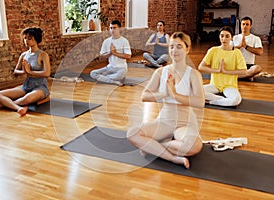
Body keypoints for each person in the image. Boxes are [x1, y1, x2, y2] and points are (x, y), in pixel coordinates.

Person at [127, 32, 205, 169]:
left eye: (179, 47)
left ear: (188, 49)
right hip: (164, 120)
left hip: (184, 122)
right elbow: (144, 96)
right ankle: (173, 158)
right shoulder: (160, 72)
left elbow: (200, 102)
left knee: (194, 146)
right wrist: (163, 94)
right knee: (132, 133)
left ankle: (155, 147)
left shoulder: (193, 74)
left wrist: (174, 95)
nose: (174, 51)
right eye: (172, 47)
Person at [0, 27, 51, 116]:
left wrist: (30, 72)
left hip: (40, 87)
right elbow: (15, 71)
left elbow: (47, 73)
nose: (26, 40)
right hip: (26, 86)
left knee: (27, 99)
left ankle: (7, 104)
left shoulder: (43, 55)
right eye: (25, 38)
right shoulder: (24, 55)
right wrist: (24, 71)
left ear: (36, 39)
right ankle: (19, 108)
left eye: (29, 38)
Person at [198, 26, 247, 107]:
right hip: (215, 85)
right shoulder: (213, 50)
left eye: (227, 36)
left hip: (230, 86)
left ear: (232, 37)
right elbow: (201, 67)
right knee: (194, 91)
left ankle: (210, 101)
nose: (224, 39)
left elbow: (244, 71)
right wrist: (217, 70)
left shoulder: (237, 52)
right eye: (222, 36)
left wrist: (225, 71)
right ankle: (224, 101)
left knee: (236, 100)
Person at [90, 20, 131, 86]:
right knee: (93, 73)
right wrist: (110, 53)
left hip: (121, 68)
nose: (112, 30)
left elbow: (128, 56)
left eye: (114, 28)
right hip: (109, 68)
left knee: (120, 75)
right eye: (111, 28)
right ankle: (114, 81)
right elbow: (101, 56)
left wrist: (114, 52)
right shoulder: (106, 41)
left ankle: (104, 79)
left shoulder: (124, 41)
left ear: (119, 29)